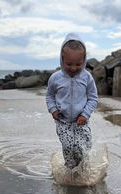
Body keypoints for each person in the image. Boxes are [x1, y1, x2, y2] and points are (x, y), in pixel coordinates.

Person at [46, 33, 98, 170]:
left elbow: (93, 97)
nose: (73, 68)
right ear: (61, 60)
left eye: (78, 64)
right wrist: (53, 110)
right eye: (69, 64)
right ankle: (70, 170)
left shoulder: (87, 78)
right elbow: (50, 95)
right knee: (68, 146)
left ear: (84, 60)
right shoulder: (55, 78)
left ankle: (83, 168)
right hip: (63, 121)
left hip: (81, 120)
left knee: (81, 147)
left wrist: (85, 114)